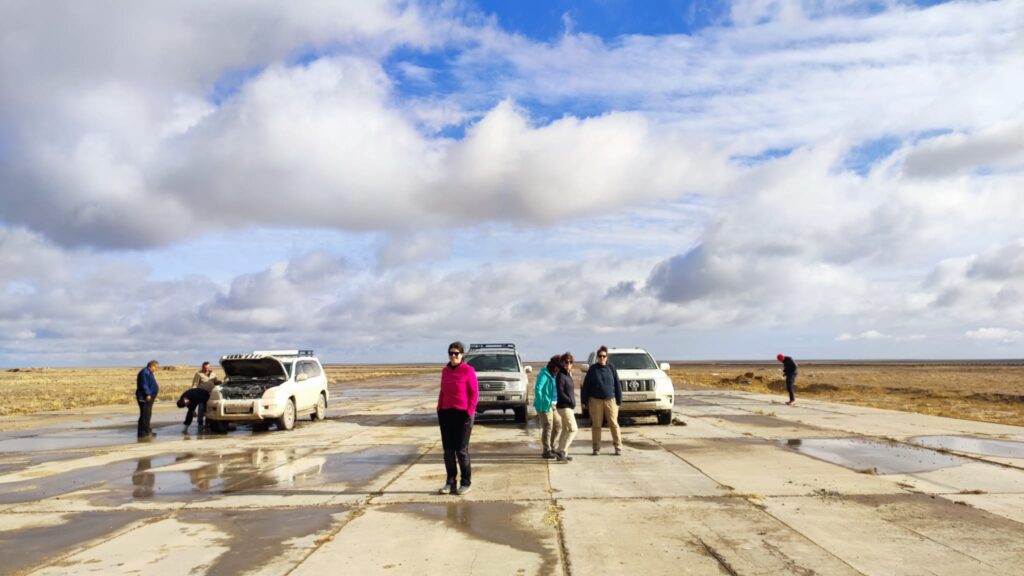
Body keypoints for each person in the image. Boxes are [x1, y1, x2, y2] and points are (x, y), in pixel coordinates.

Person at [437, 341, 478, 496]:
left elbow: (474, 393)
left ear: (462, 355)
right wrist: (439, 408)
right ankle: (450, 482)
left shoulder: (468, 370)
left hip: (463, 415)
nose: (453, 356)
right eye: (451, 353)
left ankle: (465, 482)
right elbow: (442, 391)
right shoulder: (445, 371)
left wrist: (469, 412)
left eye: (456, 353)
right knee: (448, 451)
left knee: (461, 451)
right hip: (446, 414)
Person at [581, 346, 622, 455]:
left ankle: (618, 447)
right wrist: (584, 401)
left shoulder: (611, 368)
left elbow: (617, 384)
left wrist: (619, 400)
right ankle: (596, 448)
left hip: (610, 400)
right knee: (596, 425)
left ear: (607, 357)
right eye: (600, 356)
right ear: (597, 358)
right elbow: (586, 386)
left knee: (613, 423)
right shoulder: (593, 369)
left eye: (604, 356)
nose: (602, 358)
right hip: (595, 401)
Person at [533, 356, 561, 459]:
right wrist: (541, 403)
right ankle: (546, 450)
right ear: (554, 366)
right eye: (558, 366)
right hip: (545, 404)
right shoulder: (544, 373)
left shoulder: (557, 374)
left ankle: (553, 447)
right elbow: (538, 388)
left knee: (558, 425)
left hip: (555, 404)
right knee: (548, 426)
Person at [554, 352, 579, 462]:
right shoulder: (560, 375)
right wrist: (570, 401)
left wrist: (573, 402)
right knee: (573, 429)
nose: (568, 364)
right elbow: (561, 393)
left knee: (565, 429)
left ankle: (562, 452)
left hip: (569, 406)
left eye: (570, 362)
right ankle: (562, 451)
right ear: (562, 363)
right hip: (564, 407)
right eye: (566, 362)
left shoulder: (568, 375)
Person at [190, 361, 220, 426]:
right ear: (202, 367)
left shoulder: (213, 374)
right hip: (202, 394)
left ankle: (208, 422)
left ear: (209, 367)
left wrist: (220, 383)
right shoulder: (198, 374)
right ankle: (200, 423)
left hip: (212, 394)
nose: (206, 369)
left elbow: (216, 382)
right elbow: (195, 384)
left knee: (211, 408)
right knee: (201, 407)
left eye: (207, 368)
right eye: (205, 368)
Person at [136, 360, 160, 438]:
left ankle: (146, 430)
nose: (157, 369)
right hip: (145, 397)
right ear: (152, 366)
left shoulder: (149, 372)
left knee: (147, 414)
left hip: (149, 396)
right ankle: (143, 432)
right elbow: (144, 384)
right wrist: (148, 394)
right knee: (145, 415)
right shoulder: (144, 373)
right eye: (156, 367)